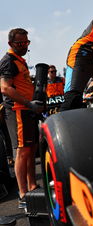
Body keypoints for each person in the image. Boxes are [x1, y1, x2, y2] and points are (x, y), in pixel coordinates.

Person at [0, 28, 43, 209]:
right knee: (23, 152)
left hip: (27, 110)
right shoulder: (8, 61)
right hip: (17, 110)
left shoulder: (20, 61)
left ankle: (32, 186)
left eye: (26, 43)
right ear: (11, 44)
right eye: (20, 43)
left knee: (32, 149)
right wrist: (29, 103)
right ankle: (23, 194)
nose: (24, 46)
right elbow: (5, 88)